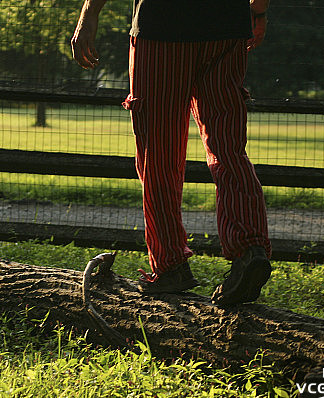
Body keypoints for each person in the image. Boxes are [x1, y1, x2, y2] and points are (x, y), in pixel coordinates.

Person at [71, 0, 272, 306]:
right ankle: (250, 247)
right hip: (228, 26)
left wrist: (89, 13)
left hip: (162, 25)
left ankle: (170, 264)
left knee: (159, 152)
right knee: (228, 149)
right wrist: (258, 11)